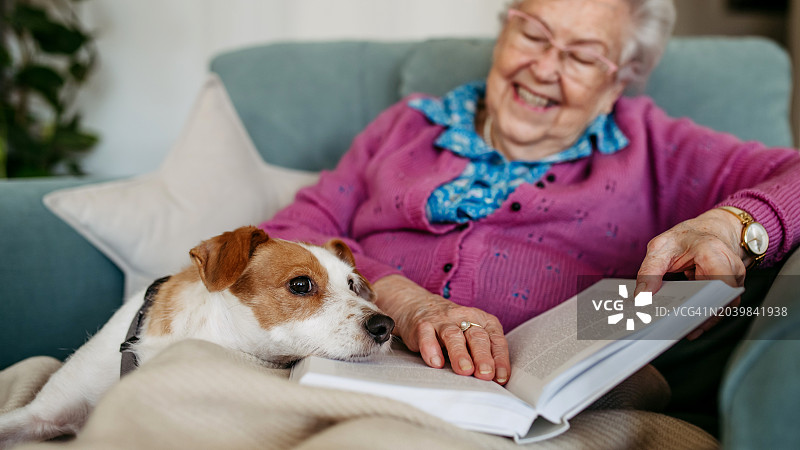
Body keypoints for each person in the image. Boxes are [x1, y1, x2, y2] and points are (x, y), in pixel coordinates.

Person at [260, 0, 800, 386]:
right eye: (533, 35)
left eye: (583, 57)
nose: (542, 68)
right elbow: (286, 233)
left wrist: (731, 225)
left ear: (616, 85)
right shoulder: (407, 128)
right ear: (503, 33)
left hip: (538, 408)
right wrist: (403, 300)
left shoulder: (656, 148)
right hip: (357, 365)